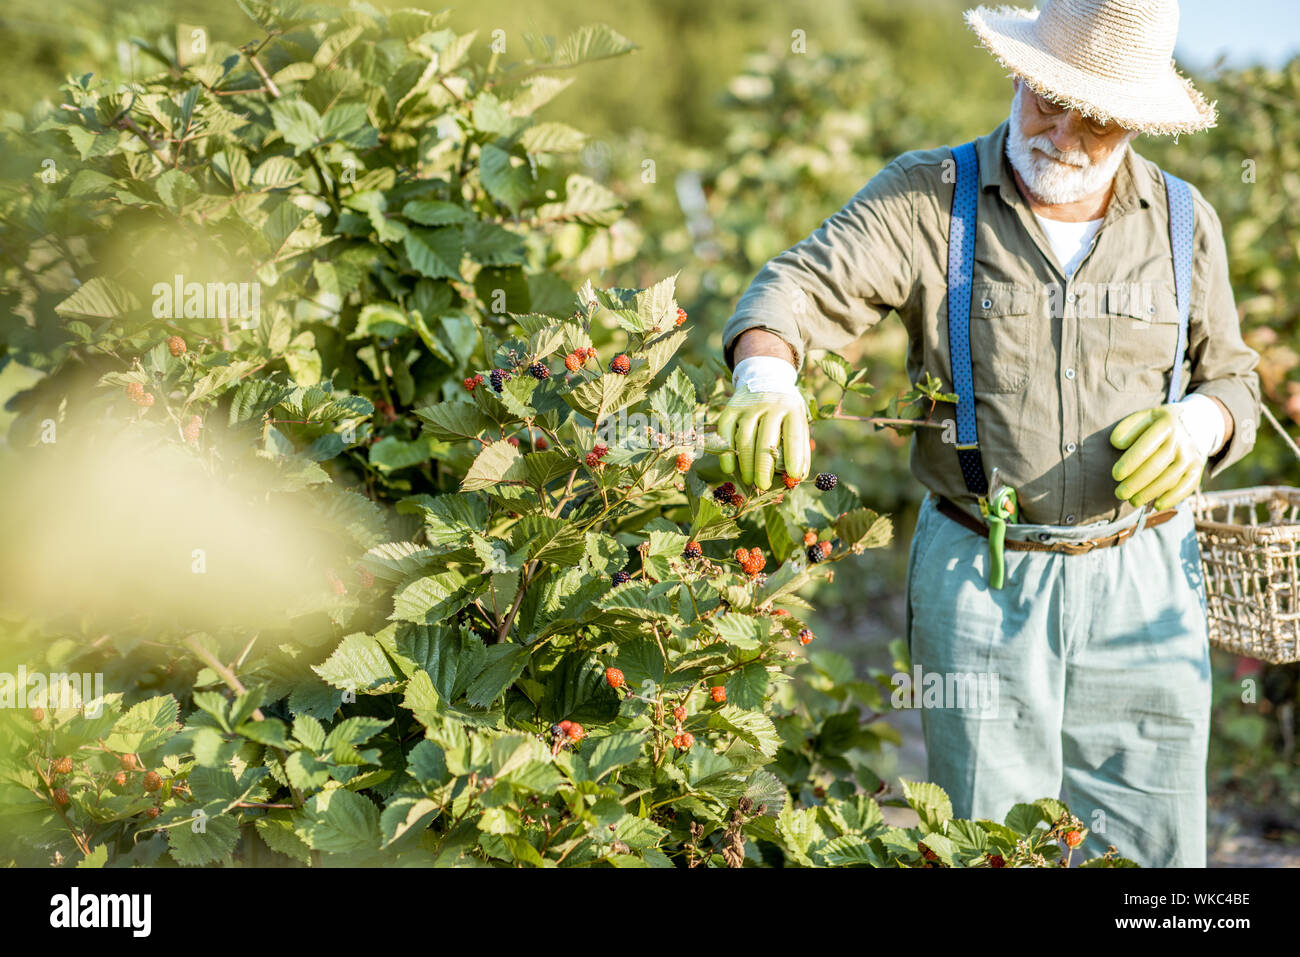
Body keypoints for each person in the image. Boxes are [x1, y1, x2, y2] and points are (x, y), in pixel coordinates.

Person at [717, 0, 1261, 867]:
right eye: (1052, 100)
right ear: (1022, 72)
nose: (1068, 134)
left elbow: (1232, 375)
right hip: (983, 571)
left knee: (1154, 847)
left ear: (1138, 121)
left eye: (1102, 119)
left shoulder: (1184, 222)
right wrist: (766, 372)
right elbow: (797, 286)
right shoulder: (930, 197)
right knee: (990, 839)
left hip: (1147, 573)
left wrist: (1203, 421)